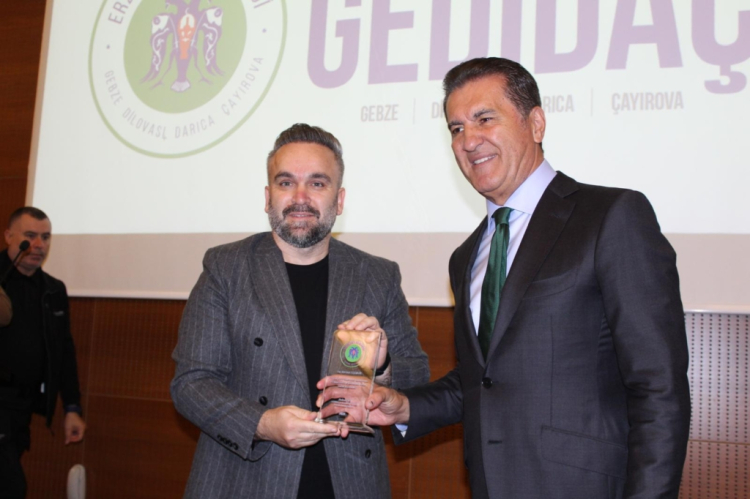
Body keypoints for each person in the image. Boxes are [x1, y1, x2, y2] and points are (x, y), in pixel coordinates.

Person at [324, 58, 691, 499]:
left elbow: (658, 387)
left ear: (536, 123)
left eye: (484, 119)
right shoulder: (466, 257)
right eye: (456, 128)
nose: (468, 140)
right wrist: (403, 406)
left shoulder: (610, 218)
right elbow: (482, 380)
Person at [171, 123, 430, 499]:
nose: (300, 197)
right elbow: (191, 384)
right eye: (286, 182)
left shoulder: (377, 275)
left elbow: (418, 377)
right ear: (268, 197)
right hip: (248, 480)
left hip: (350, 483)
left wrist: (384, 366)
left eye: (317, 183)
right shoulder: (226, 268)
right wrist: (262, 423)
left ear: (339, 200)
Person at [0, 207, 86, 499]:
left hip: (21, 408)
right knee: (12, 487)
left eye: (46, 237)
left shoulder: (53, 290)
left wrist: (72, 407)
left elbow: (64, 352)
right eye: (30, 236)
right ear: (9, 236)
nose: (39, 245)